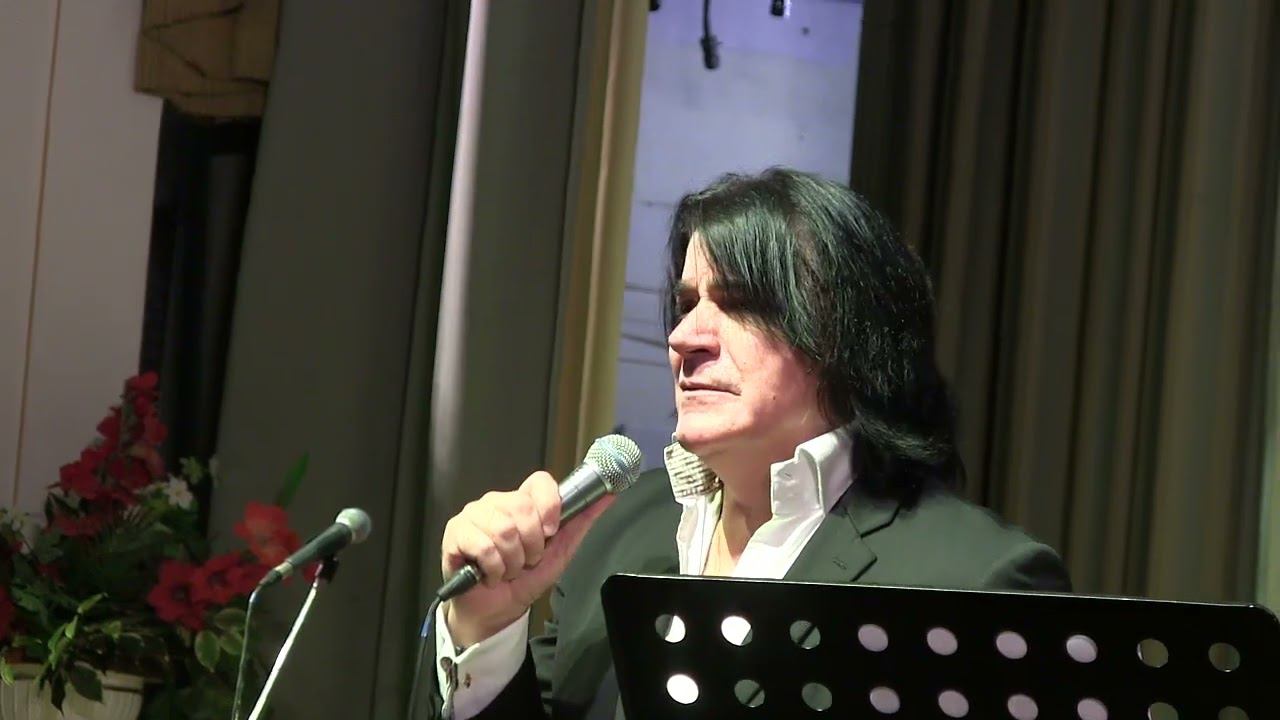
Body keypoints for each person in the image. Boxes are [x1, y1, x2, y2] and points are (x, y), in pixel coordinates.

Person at [420, 168, 1071, 719]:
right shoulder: (611, 532)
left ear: (850, 336)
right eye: (687, 304)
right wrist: (487, 628)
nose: (684, 337)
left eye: (739, 303)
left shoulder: (977, 580)